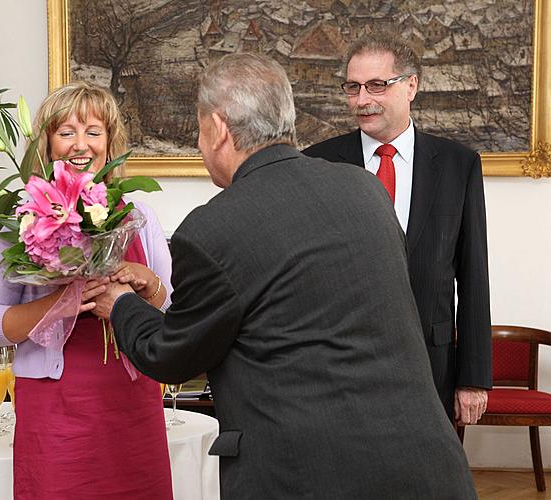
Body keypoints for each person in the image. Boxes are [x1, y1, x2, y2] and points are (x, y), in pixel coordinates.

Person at [85, 53, 477, 498]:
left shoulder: (211, 229)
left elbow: (172, 356)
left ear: (217, 128)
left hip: (305, 477)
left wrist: (120, 305)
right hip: (427, 466)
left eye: (199, 130)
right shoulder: (364, 189)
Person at [0, 82, 174, 500]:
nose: (80, 145)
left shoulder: (140, 216)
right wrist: (60, 304)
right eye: (66, 132)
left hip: (133, 404)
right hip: (55, 413)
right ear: (46, 145)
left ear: (109, 142)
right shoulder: (17, 223)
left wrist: (146, 281)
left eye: (93, 132)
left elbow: (170, 310)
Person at [303, 31, 491, 426]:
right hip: (338, 368)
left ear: (411, 86)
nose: (362, 100)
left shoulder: (459, 165)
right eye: (353, 88)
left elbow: (474, 276)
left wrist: (473, 379)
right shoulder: (317, 164)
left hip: (431, 365)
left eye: (376, 85)